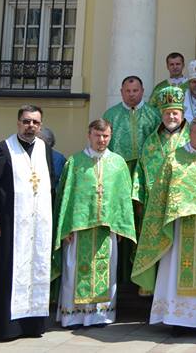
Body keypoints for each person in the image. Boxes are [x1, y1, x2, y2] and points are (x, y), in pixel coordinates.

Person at [132, 116, 196, 335]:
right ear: (190, 133)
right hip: (179, 227)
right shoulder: (174, 159)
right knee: (175, 269)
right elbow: (160, 196)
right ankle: (177, 318)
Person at [0, 105, 54, 342]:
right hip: (9, 224)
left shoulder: (43, 149)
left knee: (36, 269)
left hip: (38, 225)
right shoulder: (3, 149)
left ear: (41, 125)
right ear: (18, 123)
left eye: (36, 122)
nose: (31, 126)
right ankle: (6, 326)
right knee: (7, 272)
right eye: (26, 122)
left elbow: (49, 185)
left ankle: (32, 324)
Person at [52, 119, 136, 327]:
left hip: (107, 230)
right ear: (89, 135)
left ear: (111, 136)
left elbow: (124, 198)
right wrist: (65, 228)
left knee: (106, 270)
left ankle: (101, 315)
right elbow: (65, 197)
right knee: (74, 270)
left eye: (106, 136)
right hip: (79, 228)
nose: (102, 140)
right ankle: (74, 316)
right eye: (98, 135)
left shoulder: (118, 163)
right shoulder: (75, 162)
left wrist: (122, 226)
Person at [133, 86, 191, 208]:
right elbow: (141, 170)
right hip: (155, 200)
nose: (171, 117)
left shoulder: (191, 138)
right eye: (167, 113)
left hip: (183, 199)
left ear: (182, 114)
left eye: (175, 113)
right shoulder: (151, 142)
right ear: (161, 115)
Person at [102, 75, 161, 171]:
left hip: (146, 167)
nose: (131, 94)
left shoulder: (154, 114)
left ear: (142, 91)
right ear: (121, 92)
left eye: (135, 90)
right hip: (118, 167)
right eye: (128, 91)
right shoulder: (110, 115)